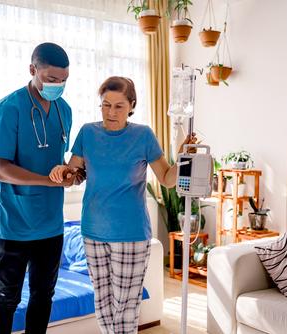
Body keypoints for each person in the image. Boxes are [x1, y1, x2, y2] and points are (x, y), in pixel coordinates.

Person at [49, 76, 196, 334]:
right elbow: (73, 174)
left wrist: (184, 156)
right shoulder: (87, 133)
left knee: (125, 307)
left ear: (131, 105)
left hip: (131, 233)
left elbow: (167, 179)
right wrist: (64, 172)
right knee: (103, 304)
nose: (110, 112)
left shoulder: (143, 136)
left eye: (118, 106)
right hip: (93, 231)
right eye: (105, 105)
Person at [0, 42, 81, 334]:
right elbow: (0, 168)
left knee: (43, 297)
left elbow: (57, 160)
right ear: (32, 70)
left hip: (50, 224)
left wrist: (70, 173)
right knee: (6, 298)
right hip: (14, 223)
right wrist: (46, 180)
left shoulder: (64, 110)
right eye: (51, 79)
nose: (58, 85)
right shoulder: (9, 108)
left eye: (63, 80)